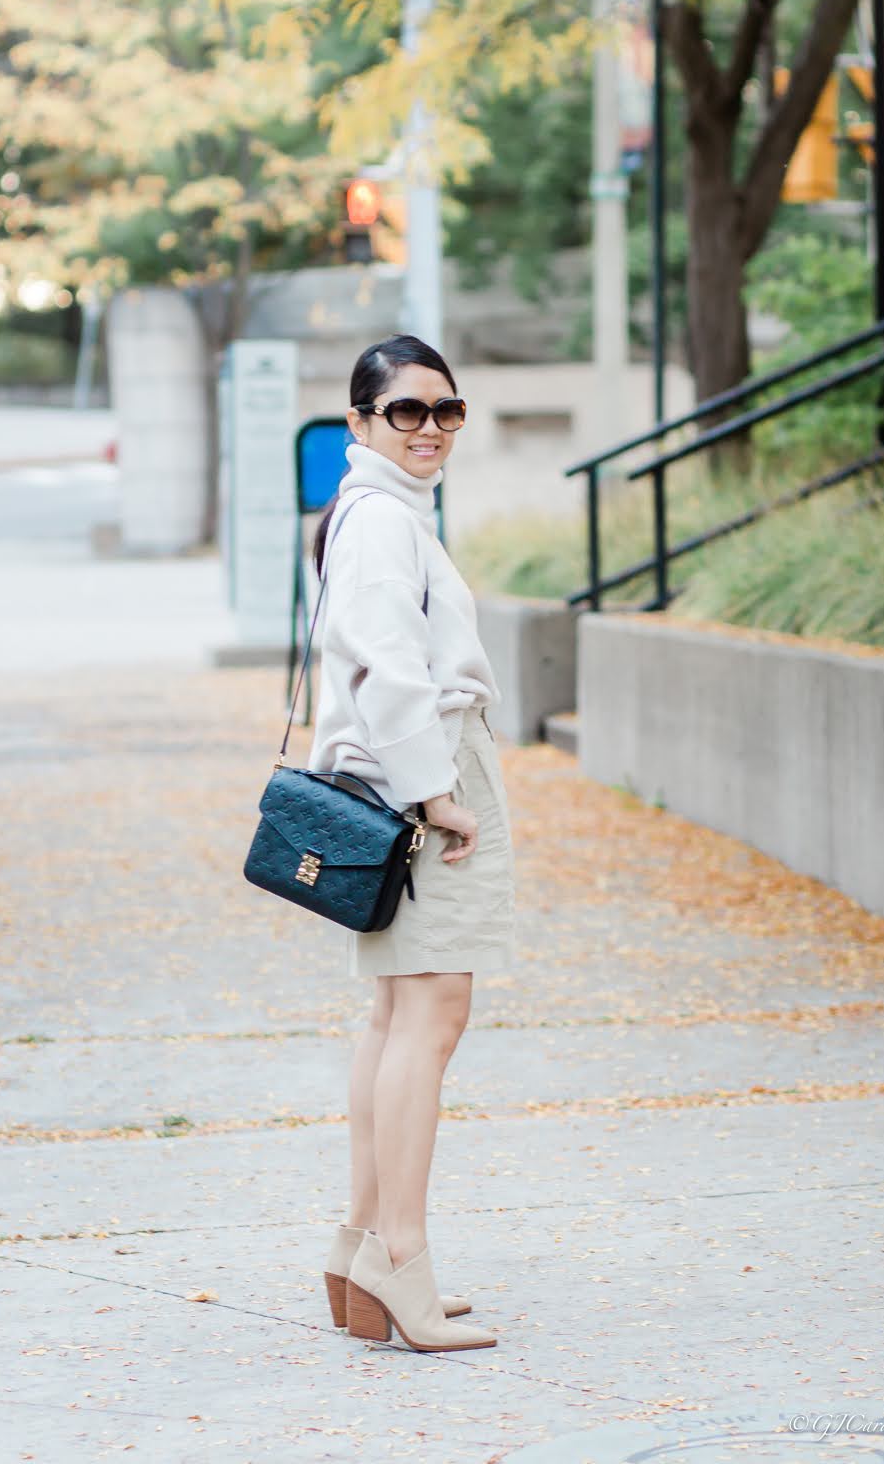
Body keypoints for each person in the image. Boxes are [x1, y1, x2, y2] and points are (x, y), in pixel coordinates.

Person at [310, 333, 517, 1353]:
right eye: (405, 410)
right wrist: (437, 793)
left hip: (401, 778)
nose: (430, 427)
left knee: (396, 1012)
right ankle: (401, 1260)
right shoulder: (381, 521)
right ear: (360, 421)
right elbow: (385, 666)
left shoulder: (376, 512)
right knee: (430, 1014)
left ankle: (360, 1247)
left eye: (446, 410)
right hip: (421, 779)